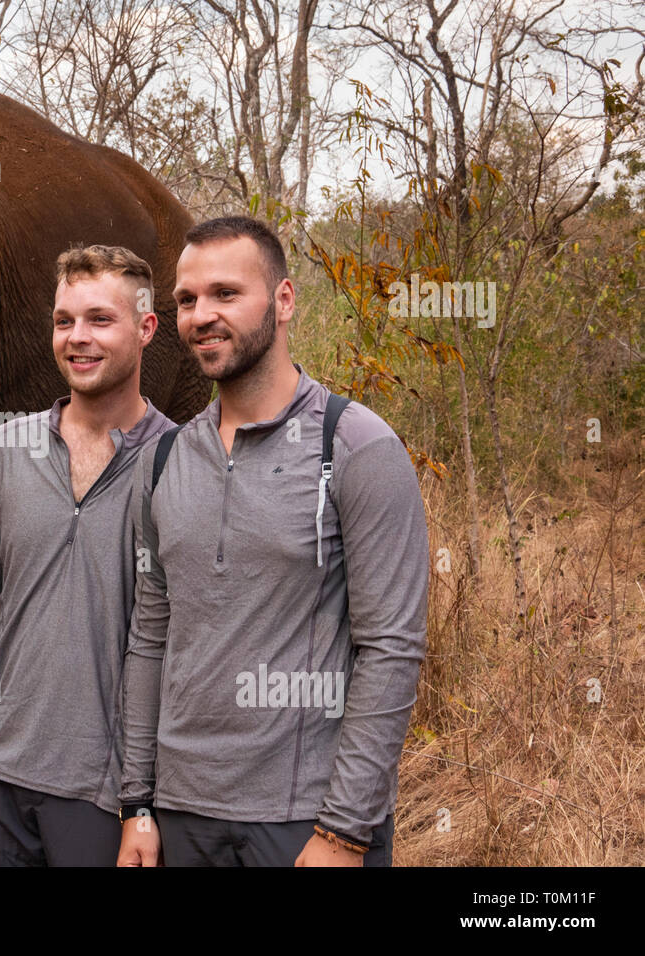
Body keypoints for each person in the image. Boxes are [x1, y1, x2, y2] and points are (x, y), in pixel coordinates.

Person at [116, 216, 428, 867]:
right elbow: (150, 638)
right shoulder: (163, 459)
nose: (202, 315)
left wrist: (343, 831)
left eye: (226, 294)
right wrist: (137, 805)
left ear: (283, 300)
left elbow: (391, 649)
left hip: (305, 824)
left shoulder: (355, 446)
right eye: (187, 299)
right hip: (182, 819)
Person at [0, 245, 178, 866]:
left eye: (99, 319)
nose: (77, 338)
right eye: (64, 321)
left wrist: (142, 803)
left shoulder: (181, 463)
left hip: (104, 798)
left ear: (145, 329)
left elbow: (171, 646)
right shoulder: (3, 452)